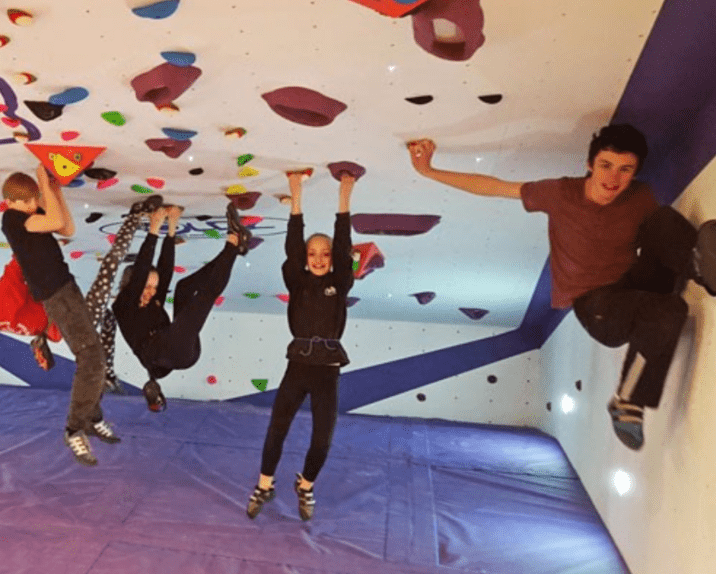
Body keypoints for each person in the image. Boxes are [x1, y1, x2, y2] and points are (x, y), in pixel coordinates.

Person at [406, 124, 716, 450]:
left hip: (634, 286)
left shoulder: (640, 197)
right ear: (589, 165)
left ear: (635, 172)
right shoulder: (560, 194)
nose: (613, 179)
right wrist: (429, 171)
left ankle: (700, 268)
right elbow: (493, 187)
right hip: (597, 306)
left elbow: (660, 240)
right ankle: (628, 402)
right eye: (606, 166)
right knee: (669, 310)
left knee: (662, 219)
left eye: (626, 170)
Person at [0, 183, 162, 387]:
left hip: (60, 312)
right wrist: (35, 215)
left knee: (108, 318)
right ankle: (136, 215)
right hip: (67, 321)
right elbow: (20, 254)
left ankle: (109, 374)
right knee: (109, 268)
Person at [246, 169, 357, 522]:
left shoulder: (340, 281)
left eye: (325, 253)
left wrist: (345, 193)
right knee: (277, 428)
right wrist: (296, 193)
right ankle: (265, 484)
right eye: (313, 252)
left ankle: (305, 485)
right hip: (297, 367)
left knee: (322, 439)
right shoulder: (298, 280)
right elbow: (293, 243)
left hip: (327, 372)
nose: (320, 258)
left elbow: (343, 242)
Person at [0, 165, 119, 467]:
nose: (30, 205)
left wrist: (55, 192)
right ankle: (74, 427)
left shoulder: (30, 213)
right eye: (25, 202)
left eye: (33, 200)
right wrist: (42, 180)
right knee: (90, 358)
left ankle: (91, 417)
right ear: (11, 201)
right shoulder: (12, 219)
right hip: (55, 295)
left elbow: (67, 229)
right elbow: (53, 221)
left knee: (95, 356)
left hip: (66, 286)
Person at [113, 202, 252, 412]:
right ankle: (232, 242)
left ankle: (232, 250)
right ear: (132, 284)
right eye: (147, 286)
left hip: (175, 343)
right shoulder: (124, 304)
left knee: (183, 288)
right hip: (171, 352)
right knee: (202, 300)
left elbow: (166, 270)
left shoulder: (151, 299)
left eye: (154, 286)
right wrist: (153, 229)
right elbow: (141, 268)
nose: (151, 291)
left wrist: (171, 228)